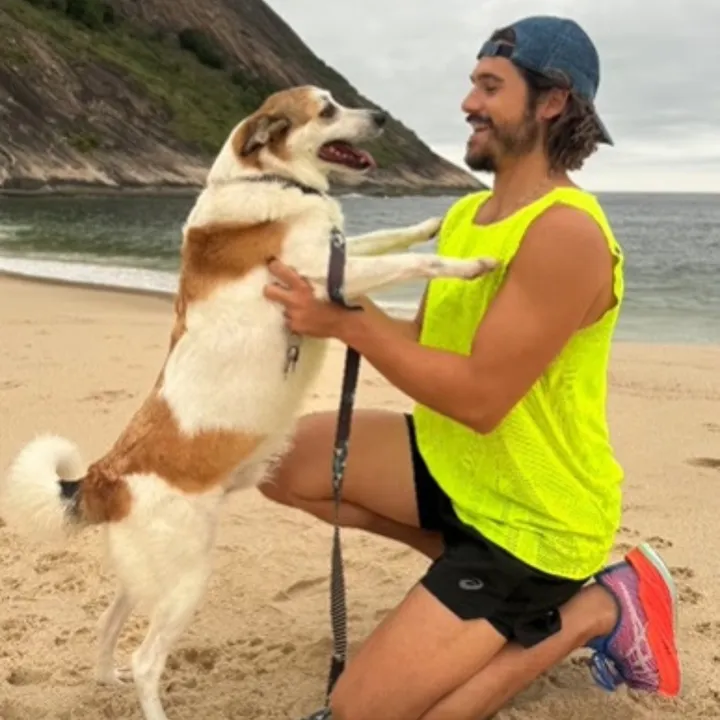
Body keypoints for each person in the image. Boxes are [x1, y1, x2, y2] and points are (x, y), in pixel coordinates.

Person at [261, 14, 681, 720]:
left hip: (534, 517)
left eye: (491, 86)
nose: (468, 104)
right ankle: (464, 572)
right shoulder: (467, 217)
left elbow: (482, 398)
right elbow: (427, 349)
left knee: (356, 714)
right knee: (277, 460)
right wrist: (326, 296)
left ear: (551, 103)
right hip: (458, 470)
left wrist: (346, 324)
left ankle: (596, 607)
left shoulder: (566, 234)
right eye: (471, 85)